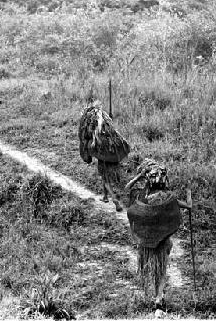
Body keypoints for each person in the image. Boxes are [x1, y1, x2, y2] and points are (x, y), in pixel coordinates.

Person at [125, 158, 192, 309]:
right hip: (164, 242)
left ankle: (156, 297)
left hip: (146, 242)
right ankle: (158, 297)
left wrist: (138, 177)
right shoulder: (169, 197)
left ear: (148, 180)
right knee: (161, 269)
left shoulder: (142, 197)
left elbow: (127, 188)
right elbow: (189, 206)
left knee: (153, 269)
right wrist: (188, 191)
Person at [78, 103, 130, 212]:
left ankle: (115, 200)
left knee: (105, 178)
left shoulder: (94, 132)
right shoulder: (107, 127)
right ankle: (105, 197)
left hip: (103, 152)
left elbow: (85, 138)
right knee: (104, 175)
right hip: (111, 152)